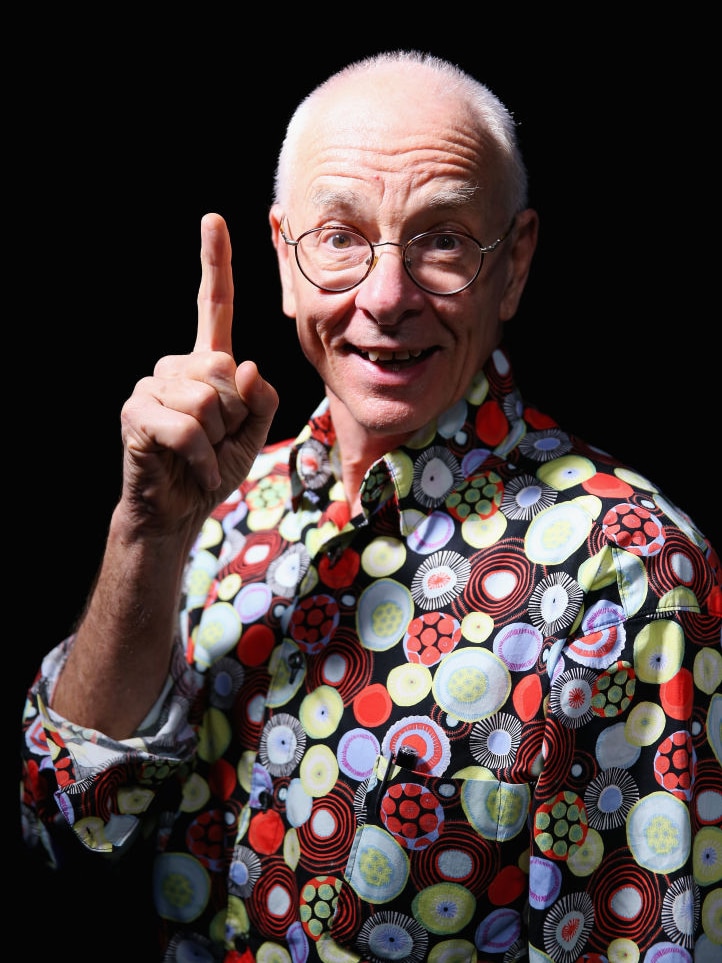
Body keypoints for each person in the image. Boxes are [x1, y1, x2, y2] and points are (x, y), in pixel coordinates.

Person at [20, 49, 721, 962]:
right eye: (342, 237)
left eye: (442, 240)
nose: (386, 298)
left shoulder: (629, 570)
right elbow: (68, 834)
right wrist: (146, 532)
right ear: (284, 258)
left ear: (512, 267)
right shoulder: (217, 509)